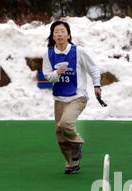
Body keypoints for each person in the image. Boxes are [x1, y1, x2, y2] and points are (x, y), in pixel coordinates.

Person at [43, 21, 101, 174]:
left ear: (68, 35)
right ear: (52, 36)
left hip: (77, 96)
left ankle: (77, 143)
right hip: (59, 98)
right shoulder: (48, 53)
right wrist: (57, 74)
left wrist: (97, 85)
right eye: (56, 32)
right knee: (60, 134)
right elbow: (48, 76)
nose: (59, 34)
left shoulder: (78, 51)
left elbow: (93, 68)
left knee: (65, 123)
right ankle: (71, 163)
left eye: (62, 31)